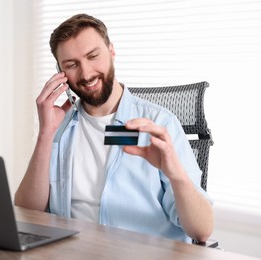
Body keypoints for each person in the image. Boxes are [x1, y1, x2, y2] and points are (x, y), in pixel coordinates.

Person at [14, 13, 214, 243]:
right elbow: (27, 214)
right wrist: (45, 133)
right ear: (60, 72)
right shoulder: (60, 125)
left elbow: (202, 230)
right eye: (72, 65)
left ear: (111, 51)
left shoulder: (159, 124)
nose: (86, 73)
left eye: (93, 56)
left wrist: (175, 173)